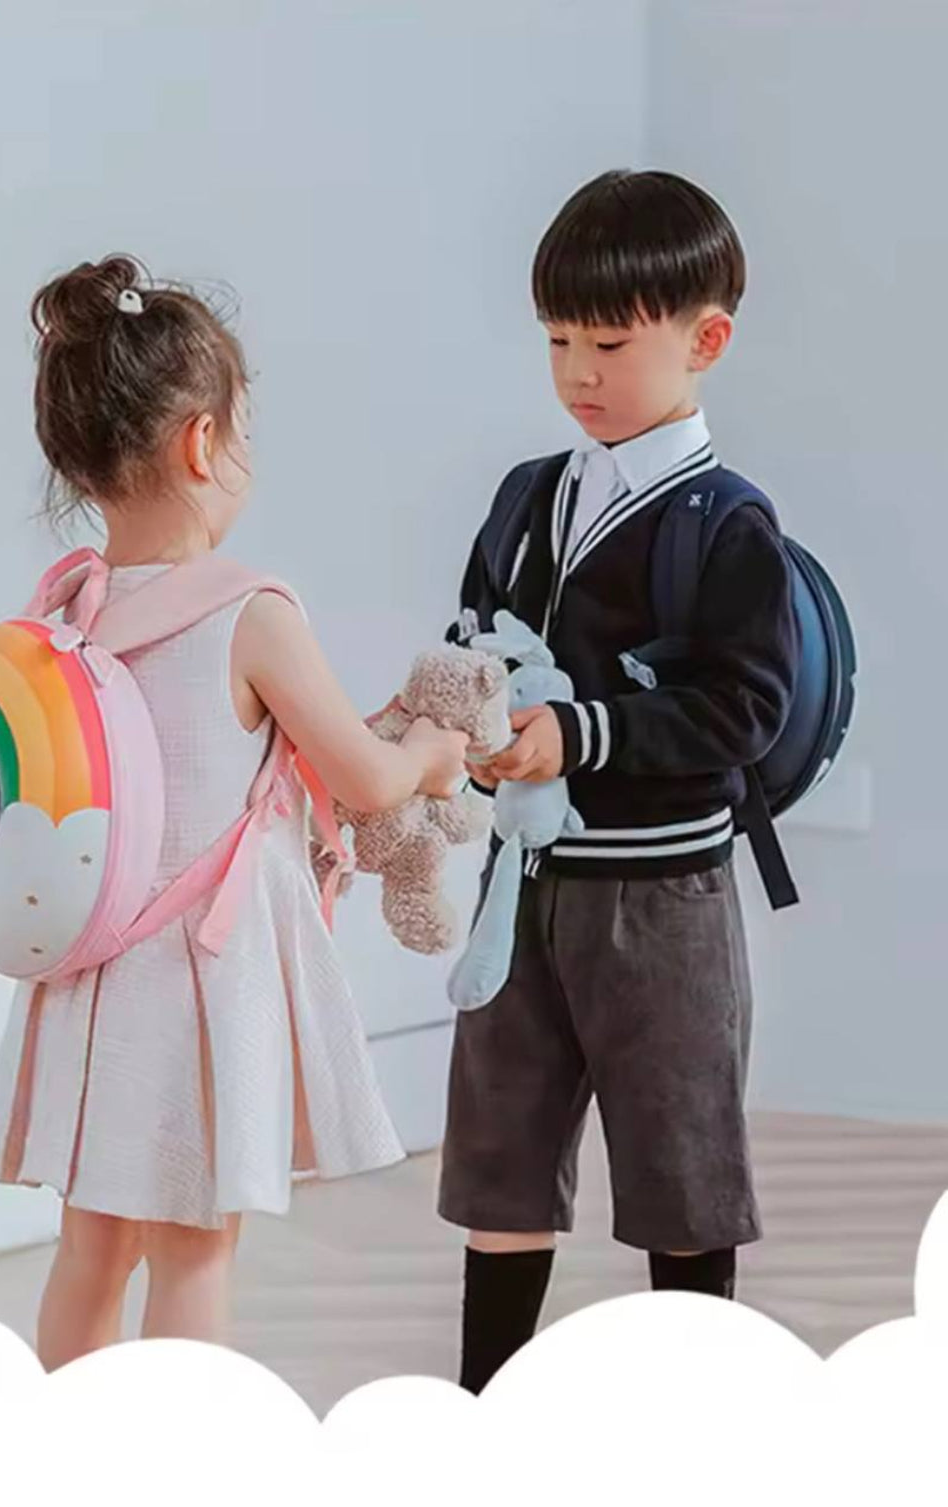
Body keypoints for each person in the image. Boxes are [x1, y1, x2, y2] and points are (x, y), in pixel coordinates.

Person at [0, 255, 468, 1369]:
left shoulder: (66, 615)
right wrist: (433, 753)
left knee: (91, 1246)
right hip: (199, 984)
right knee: (197, 1249)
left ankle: (63, 1440)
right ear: (203, 442)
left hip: (91, 977)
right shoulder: (251, 613)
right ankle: (181, 1449)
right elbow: (365, 780)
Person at [438, 170, 800, 1393]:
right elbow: (473, 645)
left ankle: (695, 1421)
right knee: (498, 1168)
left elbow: (745, 709)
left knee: (681, 1173)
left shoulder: (727, 521)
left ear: (706, 342)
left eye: (607, 344)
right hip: (521, 891)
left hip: (663, 900)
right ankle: (488, 1409)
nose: (576, 372)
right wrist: (461, 725)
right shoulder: (527, 495)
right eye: (557, 340)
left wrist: (577, 733)